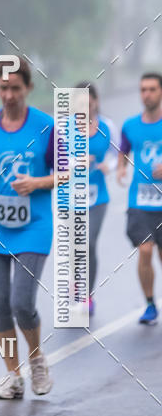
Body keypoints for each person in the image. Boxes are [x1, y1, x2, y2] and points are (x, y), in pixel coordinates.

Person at [0, 57, 55, 399]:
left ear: (28, 88)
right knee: (0, 305)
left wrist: (37, 182)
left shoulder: (45, 126)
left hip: (33, 226)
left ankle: (36, 361)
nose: (9, 94)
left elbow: (65, 173)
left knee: (22, 303)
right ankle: (12, 376)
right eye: (3, 87)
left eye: (15, 88)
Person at [117, 72, 162, 325]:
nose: (147, 94)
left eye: (152, 89)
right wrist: (122, 168)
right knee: (145, 250)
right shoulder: (130, 125)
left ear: (161, 92)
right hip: (140, 202)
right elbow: (123, 151)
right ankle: (149, 304)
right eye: (143, 89)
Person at [75, 81, 119, 316]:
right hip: (71, 198)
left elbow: (117, 154)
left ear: (96, 101)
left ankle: (87, 294)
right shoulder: (64, 128)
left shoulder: (108, 126)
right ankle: (74, 280)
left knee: (88, 243)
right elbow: (54, 163)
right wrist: (75, 163)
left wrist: (108, 165)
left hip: (98, 198)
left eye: (88, 102)